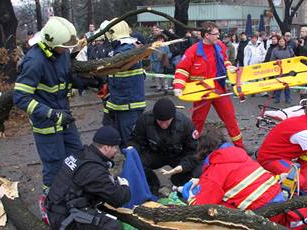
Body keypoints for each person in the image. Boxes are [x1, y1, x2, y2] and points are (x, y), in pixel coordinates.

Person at [13, 16, 84, 223]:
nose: (65, 50)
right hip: (46, 122)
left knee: (76, 155)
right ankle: (49, 204)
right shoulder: (34, 61)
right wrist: (50, 113)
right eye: (63, 47)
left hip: (64, 116)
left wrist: (83, 82)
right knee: (54, 166)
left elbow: (65, 74)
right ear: (52, 43)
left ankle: (71, 195)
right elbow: (21, 97)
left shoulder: (60, 53)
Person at [185, 129, 307, 229]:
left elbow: (202, 209)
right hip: (278, 208)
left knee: (216, 208)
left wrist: (189, 196)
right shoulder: (240, 155)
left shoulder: (214, 172)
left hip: (261, 217)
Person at [173, 21, 244, 148]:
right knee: (197, 122)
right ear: (206, 35)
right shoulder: (193, 51)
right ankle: (191, 149)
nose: (218, 36)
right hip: (202, 92)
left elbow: (225, 60)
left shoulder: (220, 46)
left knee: (230, 119)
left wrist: (230, 68)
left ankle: (240, 147)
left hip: (219, 89)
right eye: (216, 34)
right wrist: (178, 86)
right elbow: (182, 70)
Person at [46, 126, 131, 230]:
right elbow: (119, 199)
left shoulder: (82, 154)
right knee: (113, 227)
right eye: (115, 147)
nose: (116, 151)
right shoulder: (93, 169)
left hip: (57, 205)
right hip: (63, 217)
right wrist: (124, 186)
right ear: (106, 147)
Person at [129, 98, 200, 194]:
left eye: (167, 121)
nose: (163, 125)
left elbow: (194, 150)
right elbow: (135, 140)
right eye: (160, 121)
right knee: (135, 161)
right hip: (154, 153)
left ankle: (179, 184)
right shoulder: (145, 120)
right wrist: (132, 150)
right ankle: (152, 185)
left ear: (173, 117)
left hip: (178, 155)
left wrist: (183, 166)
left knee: (197, 167)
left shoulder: (185, 124)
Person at [103, 18, 146, 147]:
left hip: (128, 106)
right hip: (123, 104)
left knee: (130, 144)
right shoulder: (127, 49)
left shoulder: (124, 52)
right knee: (124, 142)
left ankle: (137, 167)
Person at [270, 36, 295, 104]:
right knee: (278, 84)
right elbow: (271, 59)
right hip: (278, 70)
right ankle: (277, 99)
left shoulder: (289, 49)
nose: (281, 42)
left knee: (287, 85)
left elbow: (293, 58)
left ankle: (288, 99)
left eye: (282, 41)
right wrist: (276, 62)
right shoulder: (275, 50)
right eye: (280, 41)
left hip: (287, 69)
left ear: (285, 42)